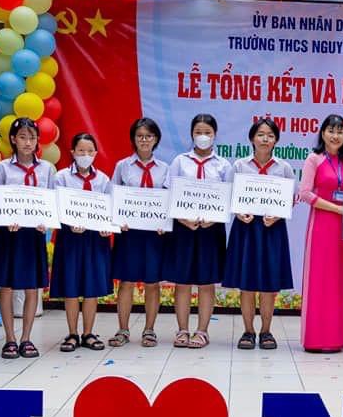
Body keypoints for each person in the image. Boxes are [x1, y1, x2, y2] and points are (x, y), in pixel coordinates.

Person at [162, 114, 233, 349]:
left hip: (211, 230)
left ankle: (202, 331)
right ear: (192, 134)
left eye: (207, 132)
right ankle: (182, 330)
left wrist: (213, 219)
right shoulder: (179, 161)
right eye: (198, 132)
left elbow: (229, 198)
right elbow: (169, 194)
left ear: (215, 135)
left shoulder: (223, 165)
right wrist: (183, 218)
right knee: (182, 282)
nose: (203, 136)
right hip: (183, 228)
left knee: (206, 282)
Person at [0, 117, 55, 360]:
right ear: (13, 140)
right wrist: (4, 219)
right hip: (8, 234)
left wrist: (46, 220)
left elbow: (52, 200)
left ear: (38, 141)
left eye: (32, 138)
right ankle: (10, 339)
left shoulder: (46, 169)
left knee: (31, 286)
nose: (27, 142)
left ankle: (26, 338)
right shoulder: (2, 168)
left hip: (33, 234)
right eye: (23, 137)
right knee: (6, 285)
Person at [223, 118, 295, 350]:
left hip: (272, 230)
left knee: (268, 284)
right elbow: (228, 195)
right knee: (247, 283)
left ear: (276, 140)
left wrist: (278, 215)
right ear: (252, 138)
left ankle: (266, 331)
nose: (265, 139)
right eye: (261, 134)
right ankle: (248, 331)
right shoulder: (239, 166)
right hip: (246, 228)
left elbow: (290, 199)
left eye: (270, 135)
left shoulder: (283, 168)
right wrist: (238, 212)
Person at [50, 133, 112, 352]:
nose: (85, 155)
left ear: (95, 153)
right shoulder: (61, 177)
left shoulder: (103, 180)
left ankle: (88, 333)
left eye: (89, 151)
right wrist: (68, 223)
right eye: (81, 151)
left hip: (95, 239)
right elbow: (56, 207)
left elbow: (109, 208)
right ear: (73, 152)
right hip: (70, 238)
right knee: (71, 286)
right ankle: (72, 333)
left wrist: (107, 226)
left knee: (91, 287)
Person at [110, 118, 168, 348]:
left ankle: (149, 330)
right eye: (140, 136)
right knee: (127, 281)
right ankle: (123, 329)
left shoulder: (165, 168)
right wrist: (118, 220)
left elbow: (169, 200)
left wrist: (166, 221)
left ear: (156, 139)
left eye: (149, 136)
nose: (144, 140)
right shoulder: (122, 166)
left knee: (153, 282)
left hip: (155, 235)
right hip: (129, 233)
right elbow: (113, 197)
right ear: (133, 139)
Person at [299, 114, 343, 353]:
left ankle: (336, 338)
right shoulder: (314, 159)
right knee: (319, 279)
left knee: (338, 280)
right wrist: (336, 208)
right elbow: (305, 193)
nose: (335, 136)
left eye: (340, 131)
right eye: (331, 130)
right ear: (323, 133)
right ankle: (315, 339)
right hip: (321, 224)